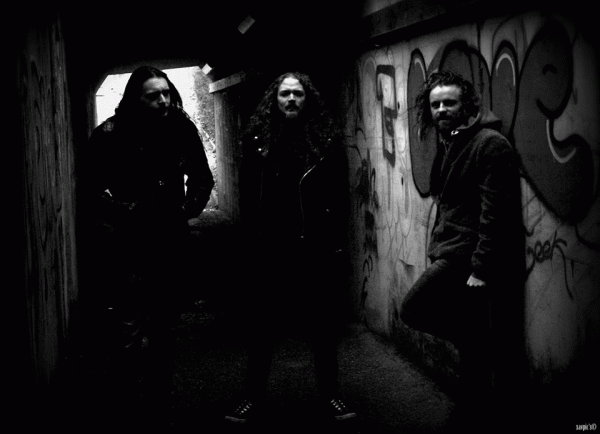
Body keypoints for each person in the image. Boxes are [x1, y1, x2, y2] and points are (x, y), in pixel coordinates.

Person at [83, 66, 214, 427]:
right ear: (135, 99)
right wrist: (127, 212)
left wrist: (185, 211)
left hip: (170, 245)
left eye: (166, 93)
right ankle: (125, 407)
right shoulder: (109, 135)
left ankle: (159, 407)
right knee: (127, 331)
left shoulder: (181, 128)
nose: (163, 100)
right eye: (154, 95)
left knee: (165, 330)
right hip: (128, 247)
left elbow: (202, 177)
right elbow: (90, 193)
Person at [225, 72, 356, 424]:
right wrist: (250, 244)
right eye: (285, 94)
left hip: (313, 247)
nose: (292, 99)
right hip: (271, 248)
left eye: (298, 93)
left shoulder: (326, 140)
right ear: (275, 99)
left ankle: (332, 396)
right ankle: (251, 398)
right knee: (262, 329)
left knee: (323, 328)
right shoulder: (257, 141)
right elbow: (247, 197)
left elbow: (340, 197)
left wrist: (335, 242)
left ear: (307, 98)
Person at [400, 70, 523, 430]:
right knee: (471, 338)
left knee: (412, 309)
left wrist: (481, 268)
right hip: (451, 252)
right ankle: (472, 410)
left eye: (449, 103)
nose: (441, 110)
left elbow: (494, 212)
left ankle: (476, 368)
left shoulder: (489, 144)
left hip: (466, 258)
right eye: (435, 104)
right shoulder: (452, 142)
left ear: (466, 105)